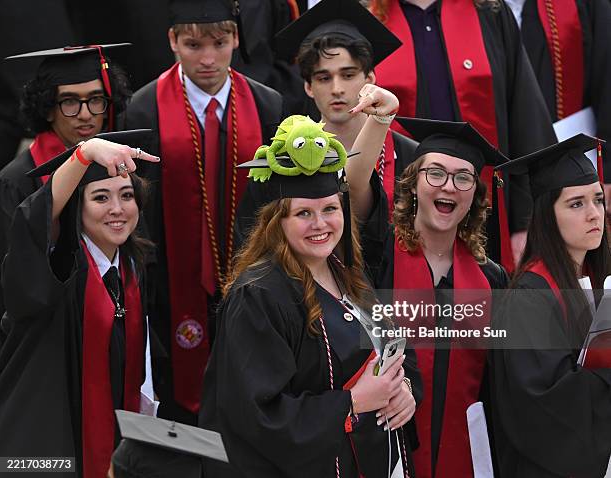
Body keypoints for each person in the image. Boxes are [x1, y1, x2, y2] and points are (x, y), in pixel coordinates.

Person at [198, 111, 421, 477]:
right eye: (303, 213)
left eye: (330, 209)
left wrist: (404, 390)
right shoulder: (258, 297)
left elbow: (396, 348)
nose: (320, 225)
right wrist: (352, 403)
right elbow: (252, 416)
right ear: (277, 221)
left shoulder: (349, 274)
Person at [123, 0, 284, 424]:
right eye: (194, 44)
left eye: (219, 42)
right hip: (171, 284)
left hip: (253, 276)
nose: (208, 58)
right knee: (181, 398)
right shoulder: (144, 109)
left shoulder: (268, 106)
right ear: (173, 41)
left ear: (235, 38)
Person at [346, 112, 510, 477]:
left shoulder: (492, 278)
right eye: (435, 173)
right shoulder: (381, 253)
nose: (448, 186)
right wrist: (380, 118)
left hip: (467, 452)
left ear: (475, 196)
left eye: (463, 177)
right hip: (387, 446)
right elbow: (355, 189)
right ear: (413, 183)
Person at [0, 130, 158, 477]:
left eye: (127, 195)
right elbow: (33, 221)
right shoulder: (61, 267)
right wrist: (85, 155)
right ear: (77, 207)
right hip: (46, 455)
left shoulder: (131, 270)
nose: (117, 210)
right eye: (101, 197)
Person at [369, 0, 558, 271]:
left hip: (486, 208)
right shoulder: (368, 16)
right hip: (400, 212)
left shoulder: (488, 11)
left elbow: (524, 116)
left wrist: (525, 222)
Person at [490, 134, 611, 477]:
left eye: (598, 200)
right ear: (548, 215)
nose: (593, 214)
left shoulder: (600, 276)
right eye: (576, 204)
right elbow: (545, 404)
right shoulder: (529, 297)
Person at [0, 44, 132, 324]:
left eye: (96, 100)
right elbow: (16, 274)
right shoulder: (19, 180)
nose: (85, 114)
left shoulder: (120, 164)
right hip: (50, 328)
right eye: (70, 102)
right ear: (48, 109)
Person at [277, 0, 419, 212]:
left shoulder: (411, 157)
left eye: (348, 75)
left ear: (370, 79)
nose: (337, 89)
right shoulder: (284, 158)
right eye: (324, 78)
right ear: (308, 87)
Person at [513, 0, 611, 207]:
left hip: (578, 171)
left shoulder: (586, 5)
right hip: (504, 175)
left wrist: (609, 168)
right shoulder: (472, 11)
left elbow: (607, 81)